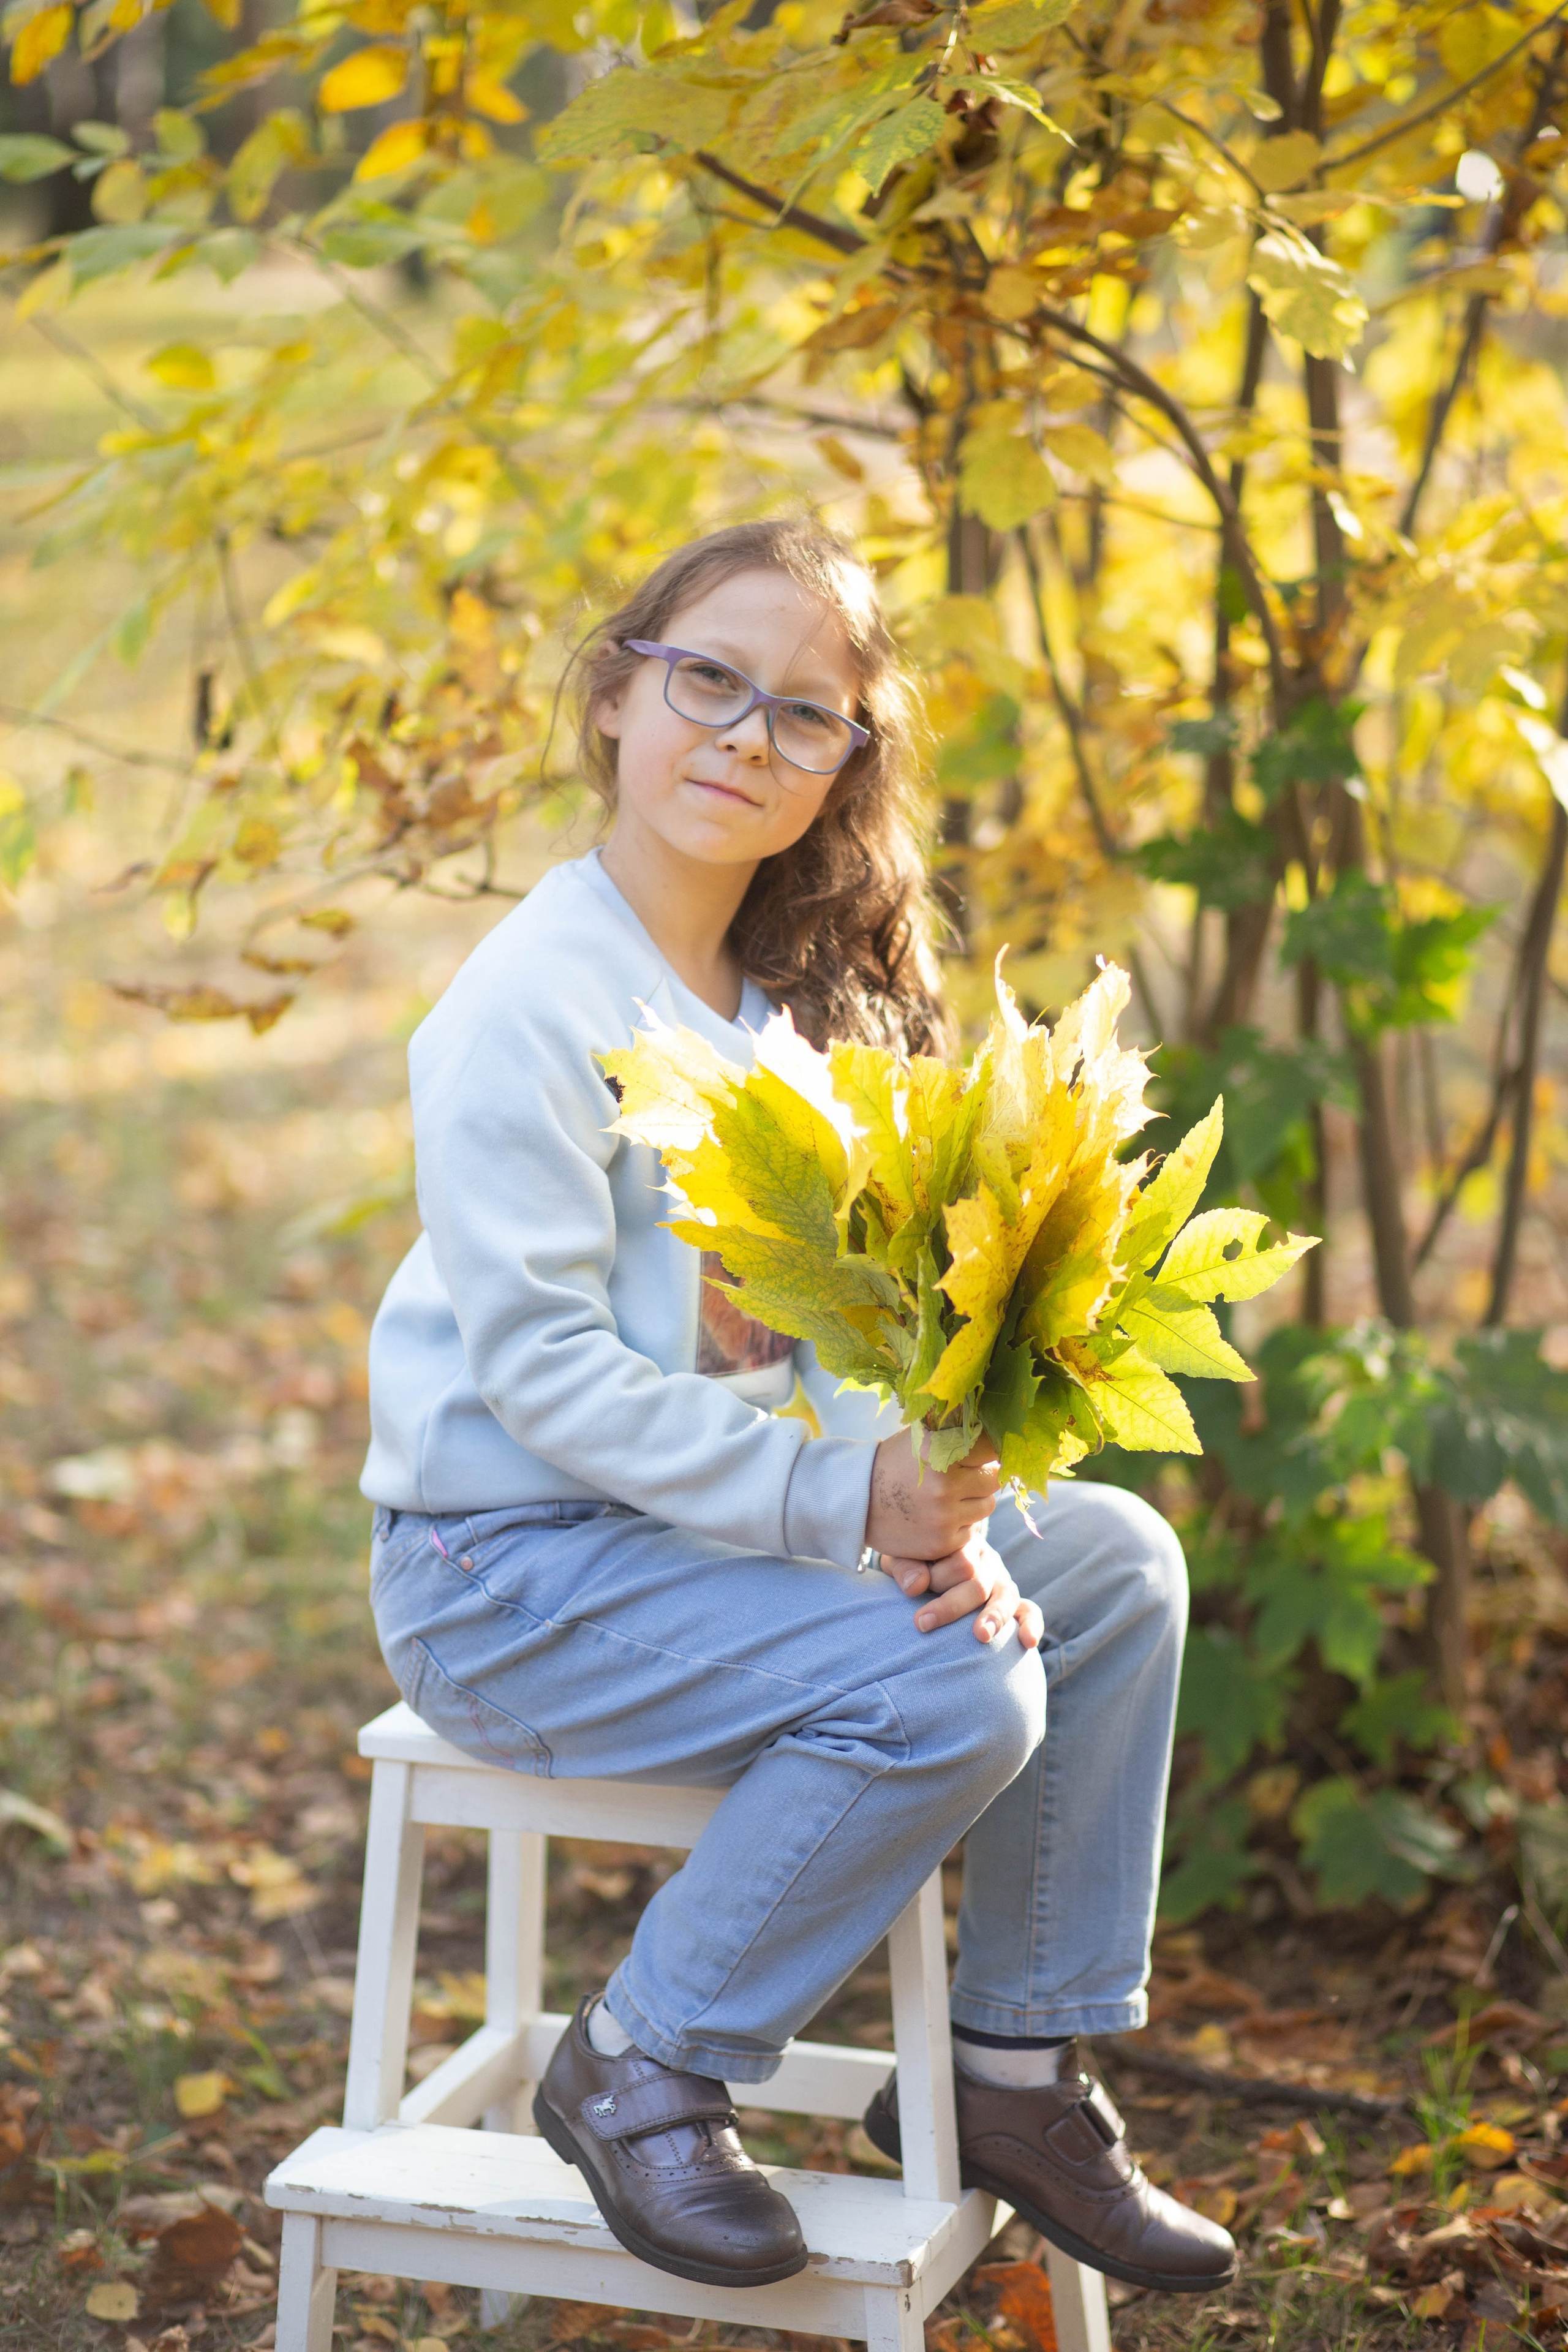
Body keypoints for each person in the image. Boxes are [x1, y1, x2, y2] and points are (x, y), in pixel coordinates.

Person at [361, 519, 1235, 2299]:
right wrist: (850, 1519)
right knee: (947, 1685)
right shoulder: (525, 1008)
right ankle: (647, 2061)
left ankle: (1002, 2076)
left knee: (1117, 1572)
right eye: (709, 683)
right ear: (616, 696)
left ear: (845, 762)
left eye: (805, 715)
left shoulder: (788, 1003)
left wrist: (939, 1510)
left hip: (720, 1543)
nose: (747, 738)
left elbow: (834, 1340)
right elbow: (541, 1377)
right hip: (509, 1571)